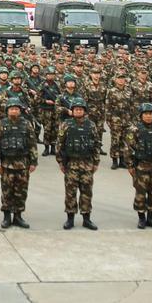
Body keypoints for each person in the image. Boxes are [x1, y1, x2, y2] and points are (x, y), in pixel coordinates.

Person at [0, 96, 38, 229]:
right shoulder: (1, 125)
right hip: (6, 164)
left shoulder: (26, 124)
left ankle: (18, 216)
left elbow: (32, 144)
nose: (14, 111)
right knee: (7, 191)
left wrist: (34, 162)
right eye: (11, 108)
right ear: (7, 110)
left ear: (20, 110)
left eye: (16, 109)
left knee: (21, 191)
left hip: (23, 164)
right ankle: (7, 217)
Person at [55, 97, 98, 230]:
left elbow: (96, 144)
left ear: (84, 111)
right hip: (71, 164)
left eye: (80, 109)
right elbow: (59, 144)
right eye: (76, 109)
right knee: (70, 193)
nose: (78, 111)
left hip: (87, 163)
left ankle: (86, 218)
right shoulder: (66, 124)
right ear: (72, 111)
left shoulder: (91, 125)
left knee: (86, 192)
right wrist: (61, 162)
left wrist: (96, 162)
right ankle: (70, 219)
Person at [124, 102, 152, 229]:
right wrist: (130, 166)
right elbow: (128, 149)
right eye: (146, 114)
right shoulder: (134, 130)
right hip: (141, 166)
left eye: (150, 114)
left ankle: (151, 218)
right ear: (141, 115)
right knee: (141, 193)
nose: (148, 116)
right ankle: (141, 218)